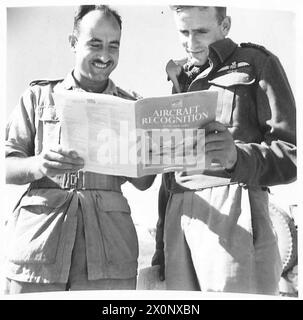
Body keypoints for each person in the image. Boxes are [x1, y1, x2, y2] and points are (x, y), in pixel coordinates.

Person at [5, 5, 155, 294]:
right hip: (39, 249)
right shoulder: (38, 97)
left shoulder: (132, 107)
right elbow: (6, 166)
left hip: (109, 254)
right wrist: (38, 165)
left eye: (114, 46)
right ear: (73, 43)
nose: (105, 55)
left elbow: (144, 182)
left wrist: (138, 151)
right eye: (95, 44)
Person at [151, 5, 296, 295]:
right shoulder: (179, 78)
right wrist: (161, 247)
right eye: (184, 32)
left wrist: (237, 158)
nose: (191, 43)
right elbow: (171, 174)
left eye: (201, 31)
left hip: (234, 207)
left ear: (225, 25)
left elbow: (291, 156)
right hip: (178, 219)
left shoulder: (257, 63)